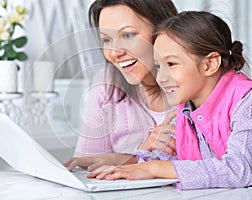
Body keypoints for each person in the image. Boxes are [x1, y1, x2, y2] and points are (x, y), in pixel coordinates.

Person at [88, 11, 252, 190]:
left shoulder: (246, 102)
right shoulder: (185, 110)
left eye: (171, 64)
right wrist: (121, 168)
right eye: (158, 66)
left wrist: (154, 168)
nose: (161, 78)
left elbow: (239, 170)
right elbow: (161, 159)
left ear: (210, 64)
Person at [64, 0, 178, 171]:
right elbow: (85, 164)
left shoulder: (196, 81)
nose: (116, 52)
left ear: (162, 30)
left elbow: (218, 167)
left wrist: (131, 160)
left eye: (128, 35)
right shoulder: (106, 84)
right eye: (107, 39)